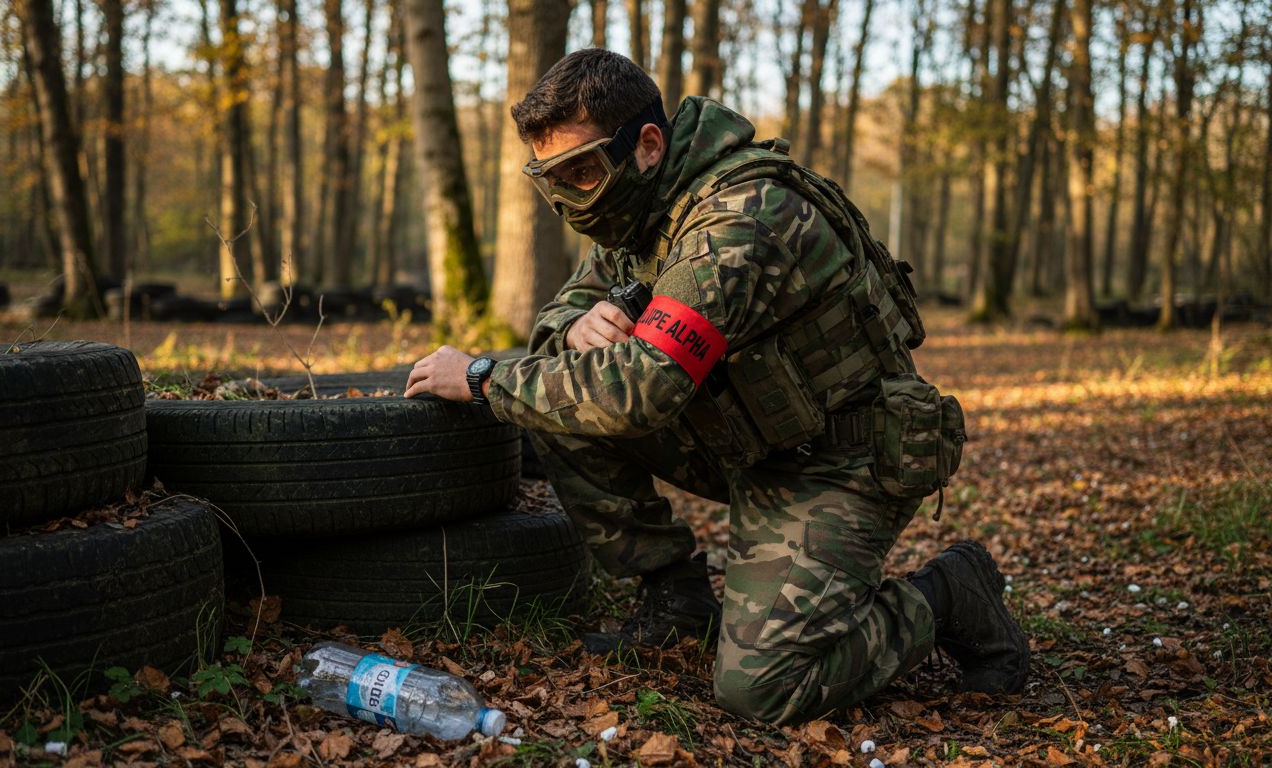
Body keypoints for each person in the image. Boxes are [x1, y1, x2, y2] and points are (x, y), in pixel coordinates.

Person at [404, 48, 1029, 725]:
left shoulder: (739, 218)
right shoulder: (636, 210)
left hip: (839, 462)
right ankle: (676, 598)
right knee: (558, 401)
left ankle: (947, 594)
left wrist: (479, 377)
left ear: (647, 144)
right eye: (549, 179)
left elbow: (640, 390)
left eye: (579, 173)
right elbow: (556, 325)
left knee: (762, 689)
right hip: (744, 442)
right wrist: (578, 322)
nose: (564, 199)